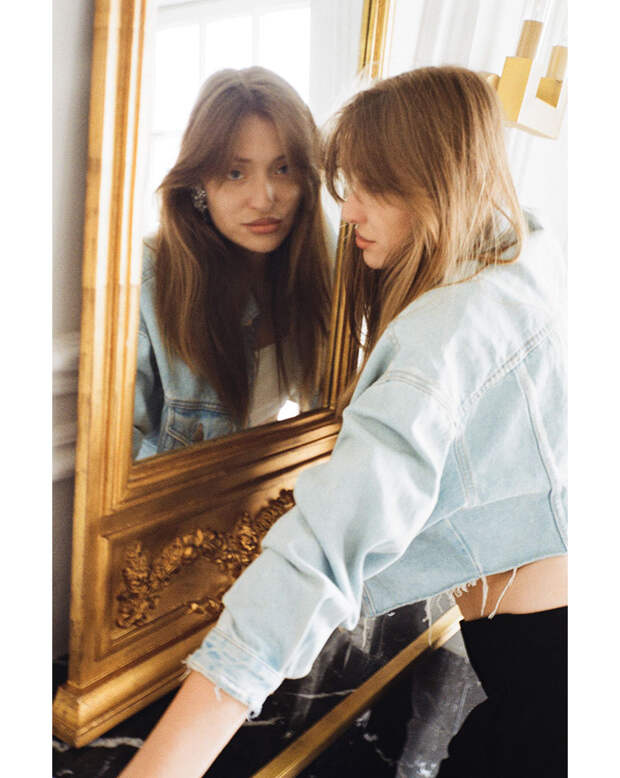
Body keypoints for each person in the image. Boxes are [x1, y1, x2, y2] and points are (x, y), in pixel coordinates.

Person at [120, 66, 567, 776]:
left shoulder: (435, 339)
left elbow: (319, 557)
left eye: (371, 187)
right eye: (234, 171)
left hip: (549, 675)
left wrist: (161, 765)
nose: (348, 210)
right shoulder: (522, 254)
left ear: (437, 183)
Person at [133, 67, 333, 460]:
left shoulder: (319, 257)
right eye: (236, 173)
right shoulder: (147, 279)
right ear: (199, 183)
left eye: (283, 168)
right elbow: (116, 460)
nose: (264, 198)